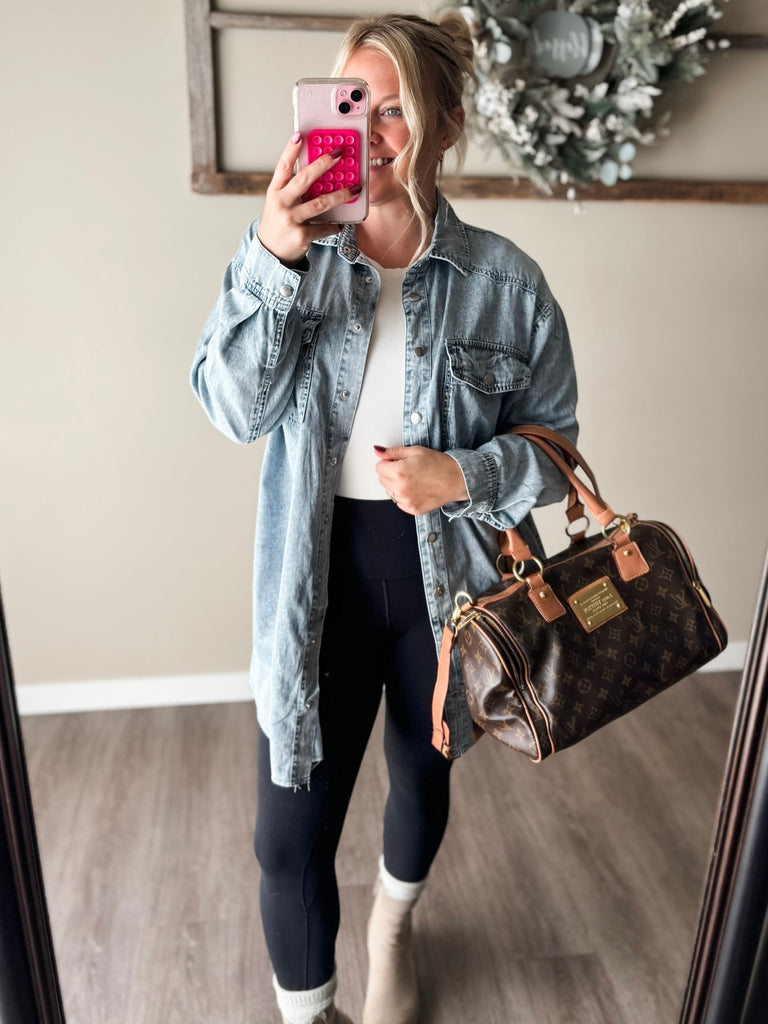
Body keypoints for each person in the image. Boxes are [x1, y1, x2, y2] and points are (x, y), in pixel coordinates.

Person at [191, 12, 578, 1024]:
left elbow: (558, 456)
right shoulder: (293, 258)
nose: (369, 132)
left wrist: (465, 474)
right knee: (287, 838)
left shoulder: (507, 283)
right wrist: (275, 251)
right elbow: (232, 410)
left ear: (447, 125)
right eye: (351, 106)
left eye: (396, 110)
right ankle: (310, 1011)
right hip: (316, 578)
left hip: (449, 584)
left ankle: (393, 929)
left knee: (421, 776)